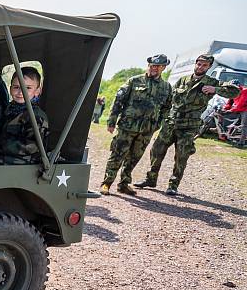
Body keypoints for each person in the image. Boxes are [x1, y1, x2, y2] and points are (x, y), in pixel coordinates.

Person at [135, 55, 240, 195]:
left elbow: (235, 92)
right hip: (171, 122)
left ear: (209, 67)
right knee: (156, 150)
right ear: (195, 64)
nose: (200, 67)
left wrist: (215, 90)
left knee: (181, 155)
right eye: (199, 64)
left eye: (204, 65)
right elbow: (169, 100)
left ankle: (173, 185)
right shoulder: (183, 80)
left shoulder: (212, 82)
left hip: (189, 126)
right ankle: (151, 179)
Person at [100, 54, 172, 196]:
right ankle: (107, 183)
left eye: (157, 66)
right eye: (151, 65)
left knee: (134, 157)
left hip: (146, 130)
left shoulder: (166, 87)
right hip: (127, 126)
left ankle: (124, 184)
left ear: (163, 68)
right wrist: (112, 121)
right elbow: (118, 100)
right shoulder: (134, 81)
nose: (153, 68)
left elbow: (167, 108)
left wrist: (157, 124)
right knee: (117, 154)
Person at [220, 81, 247, 147]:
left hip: (245, 109)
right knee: (225, 116)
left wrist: (230, 110)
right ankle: (226, 135)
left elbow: (241, 104)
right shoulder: (233, 92)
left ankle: (241, 143)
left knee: (244, 125)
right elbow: (229, 103)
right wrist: (224, 108)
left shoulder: (244, 91)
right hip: (238, 108)